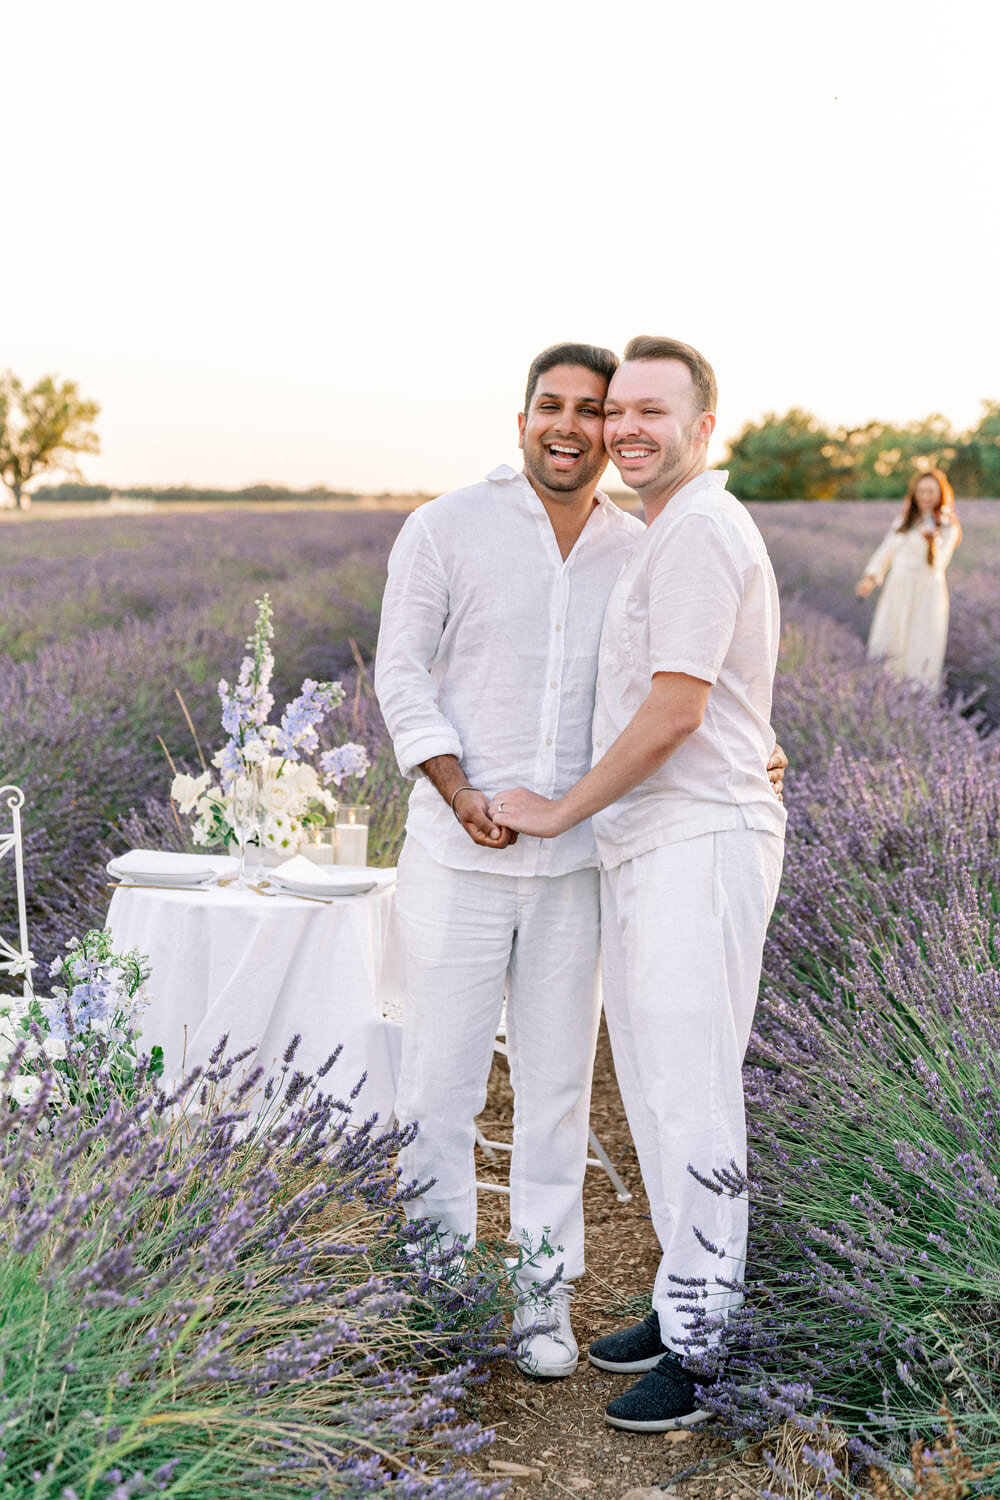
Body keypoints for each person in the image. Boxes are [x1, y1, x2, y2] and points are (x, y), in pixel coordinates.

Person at [490, 336, 786, 1431]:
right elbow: (719, 691)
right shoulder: (673, 530)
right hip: (663, 842)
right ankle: (678, 1302)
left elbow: (675, 710)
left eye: (653, 413)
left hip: (695, 842)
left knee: (692, 1093)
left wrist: (562, 809)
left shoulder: (700, 527)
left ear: (704, 428)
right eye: (621, 413)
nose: (626, 431)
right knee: (659, 1091)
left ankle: (706, 1351)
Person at [855, 468, 961, 690]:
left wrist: (932, 541)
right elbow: (886, 551)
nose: (925, 496)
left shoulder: (948, 525)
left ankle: (917, 702)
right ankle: (882, 693)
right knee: (890, 641)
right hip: (898, 589)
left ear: (940, 494)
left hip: (927, 592)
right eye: (921, 491)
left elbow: (940, 562)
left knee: (921, 646)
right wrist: (871, 577)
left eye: (930, 491)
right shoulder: (904, 521)